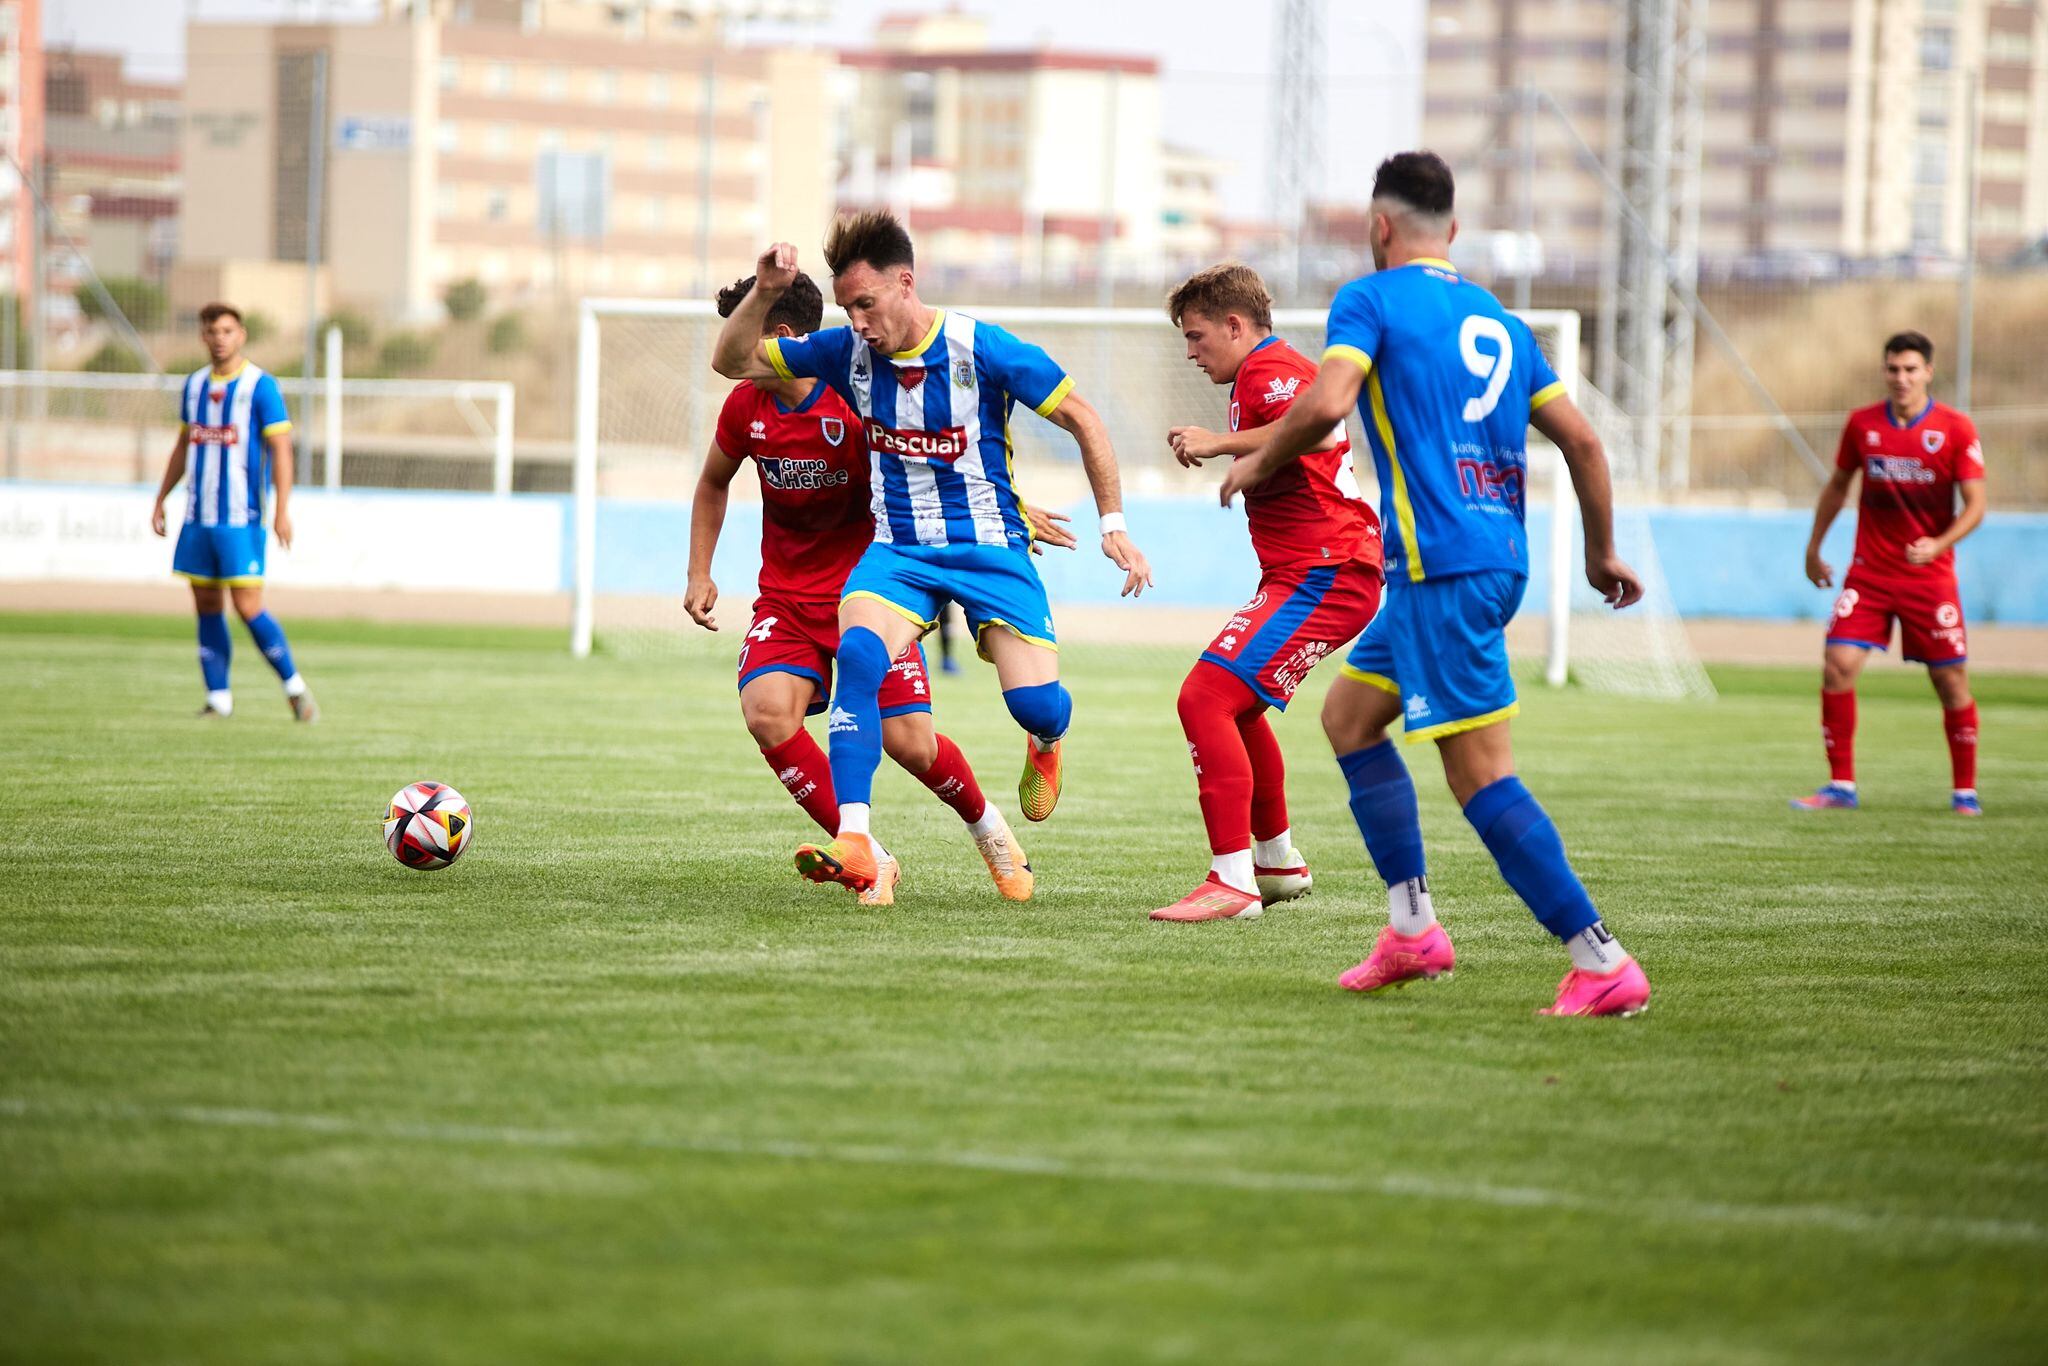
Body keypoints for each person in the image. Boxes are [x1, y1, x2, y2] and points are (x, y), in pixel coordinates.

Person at [1221, 151, 1651, 1018]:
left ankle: (1599, 958)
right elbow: (1587, 444)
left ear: (1381, 228)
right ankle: (1412, 928)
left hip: (1439, 569)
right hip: (1483, 561)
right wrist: (1601, 553)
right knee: (1348, 719)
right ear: (1450, 230)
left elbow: (1330, 398)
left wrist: (1262, 455)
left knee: (1481, 778)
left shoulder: (1371, 299)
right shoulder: (1499, 321)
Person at [710, 211, 1153, 895]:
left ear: (905, 284)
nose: (856, 321)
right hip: (900, 552)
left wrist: (1112, 523)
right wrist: (765, 291)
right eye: (847, 307)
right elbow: (732, 362)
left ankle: (1045, 741)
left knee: (1035, 704)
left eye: (866, 303)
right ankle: (857, 844)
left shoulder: (985, 349)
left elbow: (1082, 419)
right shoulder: (843, 354)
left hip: (989, 550)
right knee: (859, 653)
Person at [687, 271, 1053, 906]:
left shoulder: (856, 401)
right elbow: (713, 481)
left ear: (778, 337)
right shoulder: (745, 407)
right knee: (767, 714)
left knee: (910, 744)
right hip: (786, 597)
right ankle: (867, 854)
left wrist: (1009, 513)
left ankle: (991, 832)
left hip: (874, 594)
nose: (731, 352)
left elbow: (943, 467)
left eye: (740, 333)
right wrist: (699, 571)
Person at [1149, 263, 1384, 922]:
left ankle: (1232, 881)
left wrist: (1224, 444)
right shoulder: (1257, 374)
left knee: (1204, 697)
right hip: (1316, 572)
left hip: (1329, 571)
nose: (1191, 353)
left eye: (1196, 337)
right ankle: (1276, 863)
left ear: (1234, 324)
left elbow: (1314, 422)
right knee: (1237, 707)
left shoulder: (1267, 369)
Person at [1793, 332, 1987, 815]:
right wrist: (1814, 548)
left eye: (1910, 369)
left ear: (1928, 372)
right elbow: (1837, 488)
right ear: (1884, 371)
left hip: (1930, 577)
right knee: (1837, 664)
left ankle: (1965, 791)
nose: (1901, 378)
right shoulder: (1862, 425)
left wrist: (1939, 544)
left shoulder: (1955, 428)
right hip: (1869, 575)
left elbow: (1977, 504)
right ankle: (1840, 786)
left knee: (1950, 680)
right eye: (1893, 369)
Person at [148, 302, 316, 722]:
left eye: (227, 330)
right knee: (205, 604)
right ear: (203, 336)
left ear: (240, 334)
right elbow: (185, 445)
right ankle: (218, 698)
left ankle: (293, 686)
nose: (219, 338)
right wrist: (161, 498)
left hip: (241, 519)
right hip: (197, 518)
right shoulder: (194, 386)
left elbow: (281, 449)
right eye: (212, 331)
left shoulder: (261, 386)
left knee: (247, 606)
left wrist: (282, 510)